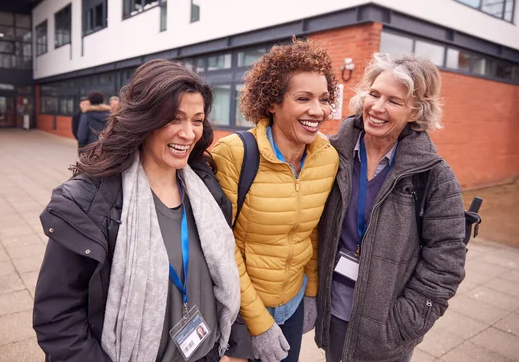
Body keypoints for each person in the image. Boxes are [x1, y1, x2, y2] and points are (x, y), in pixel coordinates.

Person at [33, 59, 250, 362]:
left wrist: (237, 347)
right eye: (175, 118)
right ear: (144, 119)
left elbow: (225, 273)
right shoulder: (89, 205)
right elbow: (58, 316)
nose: (188, 133)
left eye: (197, 120)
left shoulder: (206, 189)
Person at [313, 53, 466, 362]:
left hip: (385, 332)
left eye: (394, 101)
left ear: (415, 112)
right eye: (374, 94)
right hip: (331, 313)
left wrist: (404, 323)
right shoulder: (329, 153)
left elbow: (447, 260)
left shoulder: (433, 176)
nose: (378, 107)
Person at [212, 39, 339, 362]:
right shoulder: (235, 154)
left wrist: (310, 294)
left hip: (294, 303)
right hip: (241, 310)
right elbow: (221, 247)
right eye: (303, 98)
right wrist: (259, 324)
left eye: (324, 99)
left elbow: (311, 230)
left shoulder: (327, 158)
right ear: (272, 102)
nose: (318, 110)